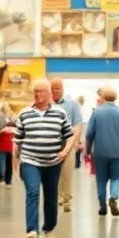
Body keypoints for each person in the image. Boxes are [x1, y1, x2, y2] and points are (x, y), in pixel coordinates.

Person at [15, 78, 74, 238]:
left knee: (51, 195)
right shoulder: (24, 114)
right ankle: (32, 231)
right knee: (32, 192)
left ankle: (49, 229)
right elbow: (18, 140)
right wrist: (15, 160)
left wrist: (65, 152)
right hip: (29, 160)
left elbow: (69, 136)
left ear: (49, 95)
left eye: (40, 91)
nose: (37, 94)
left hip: (52, 162)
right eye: (35, 91)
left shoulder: (60, 113)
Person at [85, 86, 119, 217]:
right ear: (115, 98)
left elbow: (89, 133)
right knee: (117, 177)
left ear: (103, 97)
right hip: (116, 152)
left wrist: (87, 150)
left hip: (99, 152)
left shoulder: (96, 113)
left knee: (101, 179)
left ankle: (102, 205)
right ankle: (113, 196)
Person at [50, 77, 84, 209]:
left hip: (68, 143)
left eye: (57, 88)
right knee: (53, 172)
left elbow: (78, 123)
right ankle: (57, 196)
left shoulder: (72, 105)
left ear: (62, 89)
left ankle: (67, 199)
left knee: (67, 172)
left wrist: (75, 140)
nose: (55, 91)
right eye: (52, 88)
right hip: (51, 144)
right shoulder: (46, 104)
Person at [0, 102, 17, 186]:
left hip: (10, 142)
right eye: (4, 106)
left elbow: (17, 125)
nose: (6, 107)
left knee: (9, 163)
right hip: (1, 142)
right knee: (0, 162)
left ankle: (8, 180)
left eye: (7, 106)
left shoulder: (12, 116)